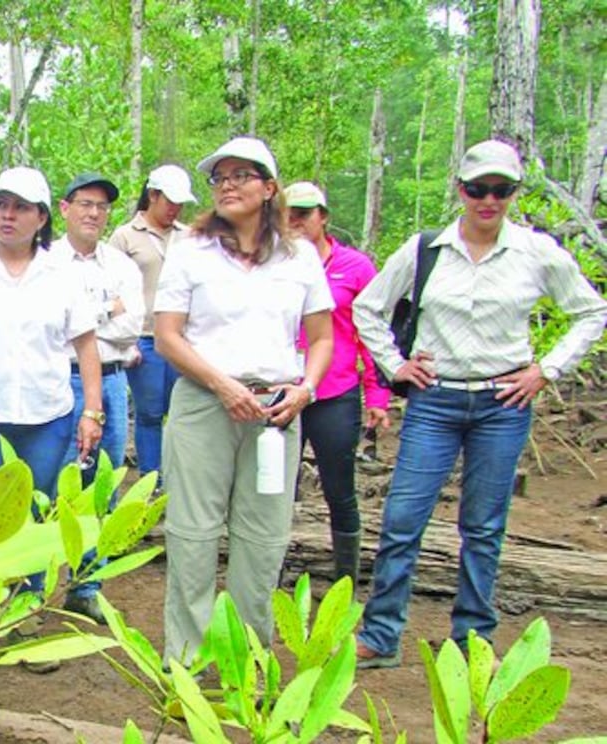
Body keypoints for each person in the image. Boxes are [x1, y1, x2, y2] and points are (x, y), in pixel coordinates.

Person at [351, 139, 607, 669]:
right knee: (403, 518)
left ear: (513, 193)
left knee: (484, 527)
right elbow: (368, 308)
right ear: (460, 190)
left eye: (501, 190)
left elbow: (591, 312)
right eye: (477, 189)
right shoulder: (426, 249)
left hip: (502, 403)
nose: (488, 201)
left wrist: (546, 370)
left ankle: (473, 640)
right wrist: (396, 365)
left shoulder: (536, 252)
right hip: (434, 401)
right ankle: (380, 633)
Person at [154, 137, 334, 665]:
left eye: (242, 175)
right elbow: (167, 336)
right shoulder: (191, 248)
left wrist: (306, 388)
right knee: (193, 534)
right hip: (205, 404)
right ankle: (184, 662)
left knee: (263, 539)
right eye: (220, 177)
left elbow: (322, 338)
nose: (229, 185)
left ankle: (248, 660)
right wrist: (222, 385)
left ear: (269, 187)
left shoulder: (298, 256)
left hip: (276, 415)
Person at [0, 167, 105, 671]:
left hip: (47, 417)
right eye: (1, 204)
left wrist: (92, 409)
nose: (8, 215)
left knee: (35, 514)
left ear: (42, 217)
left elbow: (86, 346)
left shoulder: (62, 275)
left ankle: (26, 613)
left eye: (20, 207)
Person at [285, 181, 391, 585]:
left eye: (305, 213)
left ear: (322, 217)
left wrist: (377, 395)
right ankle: (270, 575)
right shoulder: (272, 264)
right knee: (276, 488)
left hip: (335, 393)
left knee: (339, 487)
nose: (296, 221)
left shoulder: (357, 267)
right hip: (282, 393)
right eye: (290, 213)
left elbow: (372, 335)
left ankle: (346, 580)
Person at [52, 172, 144, 623]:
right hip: (56, 382)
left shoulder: (122, 265)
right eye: (84, 204)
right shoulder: (46, 262)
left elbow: (136, 325)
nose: (93, 213)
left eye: (102, 206)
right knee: (54, 485)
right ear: (64, 209)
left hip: (111, 382)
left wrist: (81, 321)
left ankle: (87, 586)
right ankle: (36, 586)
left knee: (101, 486)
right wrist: (108, 310)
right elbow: (49, 326)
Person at [108, 164, 198, 486]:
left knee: (181, 411)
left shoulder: (189, 237)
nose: (175, 208)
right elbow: (111, 286)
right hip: (144, 338)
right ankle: (151, 480)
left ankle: (179, 478)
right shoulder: (125, 236)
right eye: (169, 200)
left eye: (180, 203)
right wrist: (125, 341)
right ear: (153, 195)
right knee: (148, 412)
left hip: (182, 338)